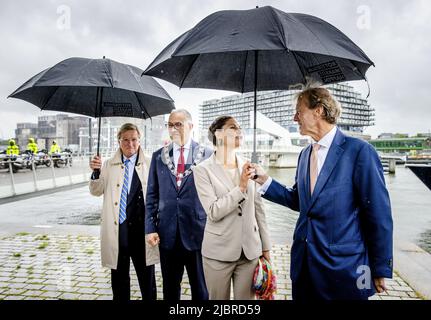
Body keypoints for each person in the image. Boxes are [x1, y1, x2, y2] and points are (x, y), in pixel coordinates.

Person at [251, 86, 393, 300]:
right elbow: (299, 201)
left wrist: (380, 267)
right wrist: (265, 181)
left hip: (345, 268)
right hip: (304, 265)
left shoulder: (359, 152)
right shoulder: (305, 155)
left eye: (299, 111)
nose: (294, 117)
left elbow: (378, 213)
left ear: (318, 111)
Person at [192, 115, 271, 300]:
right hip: (218, 253)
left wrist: (266, 246)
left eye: (240, 127)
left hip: (249, 252)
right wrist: (241, 186)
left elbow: (259, 209)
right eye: (233, 127)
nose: (239, 131)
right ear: (219, 135)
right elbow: (213, 211)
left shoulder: (249, 166)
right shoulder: (202, 170)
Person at [145, 109, 212, 301]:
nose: (173, 129)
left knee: (201, 290)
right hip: (167, 234)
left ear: (191, 126)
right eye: (170, 125)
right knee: (170, 289)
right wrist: (150, 228)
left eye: (179, 124)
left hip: (198, 233)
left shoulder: (207, 155)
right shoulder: (159, 156)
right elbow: (152, 196)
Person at [89, 123, 159, 301]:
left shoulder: (151, 163)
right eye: (125, 140)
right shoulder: (107, 165)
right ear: (119, 141)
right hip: (118, 231)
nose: (130, 144)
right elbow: (96, 191)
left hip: (142, 231)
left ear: (140, 140)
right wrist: (96, 173)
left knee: (147, 278)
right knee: (119, 279)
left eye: (134, 139)